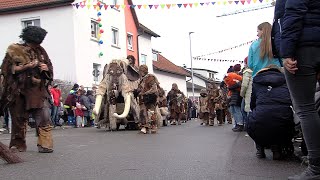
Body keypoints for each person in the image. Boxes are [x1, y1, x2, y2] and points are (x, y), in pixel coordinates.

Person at [280, 0, 320, 179]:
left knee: (305, 108)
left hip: (304, 48)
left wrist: (286, 51)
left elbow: (293, 13)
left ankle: (316, 167)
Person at [0, 26, 54, 153]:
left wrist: (46, 69)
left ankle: (45, 144)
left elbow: (50, 67)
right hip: (18, 90)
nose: (35, 45)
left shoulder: (42, 51)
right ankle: (18, 144)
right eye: (33, 43)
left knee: (44, 115)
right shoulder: (15, 50)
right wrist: (26, 67)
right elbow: (6, 69)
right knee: (18, 118)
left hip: (37, 89)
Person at [247, 65, 294, 160]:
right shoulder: (286, 80)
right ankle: (276, 148)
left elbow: (252, 104)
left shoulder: (257, 82)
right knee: (281, 120)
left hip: (260, 117)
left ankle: (260, 148)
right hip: (283, 118)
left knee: (254, 119)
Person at [135, 65, 160, 134]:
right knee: (143, 112)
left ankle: (153, 126)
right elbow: (140, 89)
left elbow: (154, 88)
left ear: (143, 71)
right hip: (143, 99)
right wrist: (136, 91)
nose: (139, 73)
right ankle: (144, 127)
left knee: (151, 113)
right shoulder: (141, 80)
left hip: (151, 98)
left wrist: (145, 93)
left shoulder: (151, 78)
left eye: (140, 71)